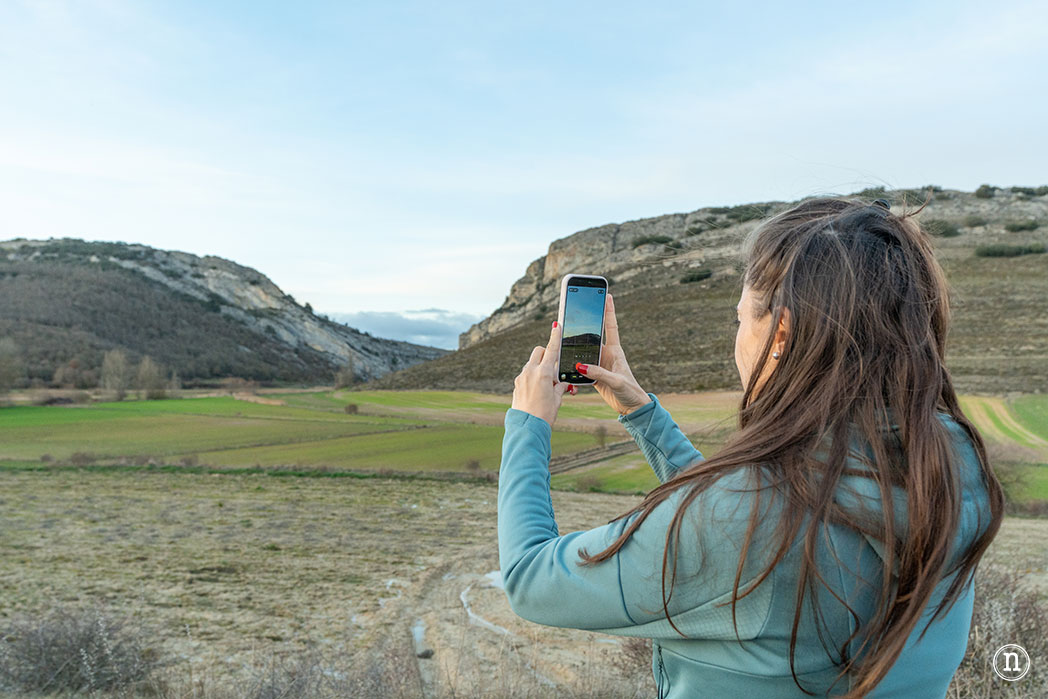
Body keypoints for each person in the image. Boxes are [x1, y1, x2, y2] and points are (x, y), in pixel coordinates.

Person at [497, 197, 1005, 698]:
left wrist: (529, 423)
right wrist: (641, 414)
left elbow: (530, 580)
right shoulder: (952, 465)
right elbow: (754, 519)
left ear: (779, 332)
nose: (737, 336)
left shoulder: (744, 518)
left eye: (740, 318)